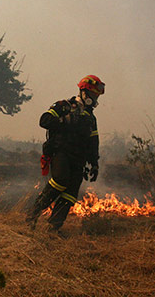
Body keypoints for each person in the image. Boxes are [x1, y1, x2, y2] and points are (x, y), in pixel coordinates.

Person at [27, 75, 105, 234]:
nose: (95, 99)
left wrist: (95, 163)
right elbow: (44, 120)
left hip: (79, 159)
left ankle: (53, 228)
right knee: (60, 180)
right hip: (61, 153)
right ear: (84, 92)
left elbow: (93, 141)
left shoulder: (91, 118)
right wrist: (66, 120)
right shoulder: (64, 106)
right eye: (93, 95)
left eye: (97, 96)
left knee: (70, 194)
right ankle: (32, 214)